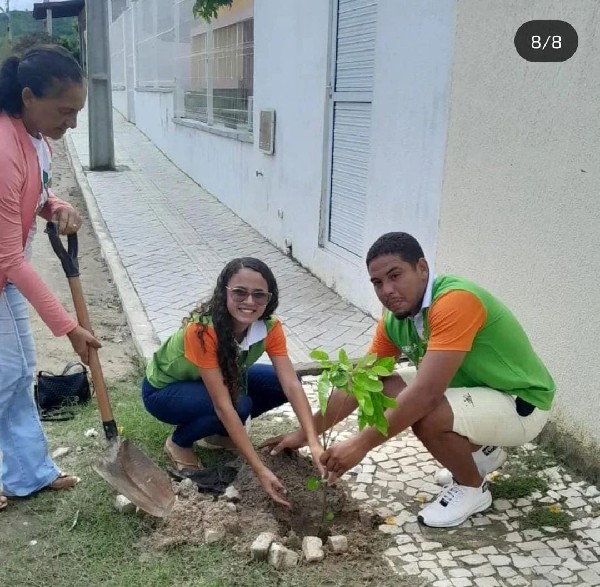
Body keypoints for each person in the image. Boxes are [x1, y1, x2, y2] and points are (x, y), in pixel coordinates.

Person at [264, 231, 555, 527]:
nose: (387, 290)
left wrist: (359, 444)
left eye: (395, 275)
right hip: (479, 391)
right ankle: (483, 452)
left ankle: (471, 489)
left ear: (422, 269)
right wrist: (304, 435)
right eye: (377, 283)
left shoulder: (455, 302)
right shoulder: (394, 322)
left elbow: (425, 394)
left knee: (428, 415)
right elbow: (359, 382)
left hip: (520, 401)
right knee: (381, 386)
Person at [0, 45, 101, 511]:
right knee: (5, 376)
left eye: (77, 112)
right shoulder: (2, 147)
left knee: (17, 375)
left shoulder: (35, 138)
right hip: (5, 269)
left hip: (4, 276)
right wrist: (68, 326)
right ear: (27, 96)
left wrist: (56, 205)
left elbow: (35, 191)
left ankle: (28, 474)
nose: (72, 123)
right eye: (65, 111)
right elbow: (10, 259)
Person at [141, 257, 325, 506]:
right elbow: (223, 405)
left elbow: (291, 384)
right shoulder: (202, 331)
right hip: (163, 391)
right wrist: (260, 469)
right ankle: (179, 443)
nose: (249, 302)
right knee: (238, 406)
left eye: (259, 295)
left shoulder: (270, 327)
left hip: (214, 382)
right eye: (240, 292)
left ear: (269, 299)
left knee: (278, 384)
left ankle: (218, 434)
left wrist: (312, 442)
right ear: (223, 293)